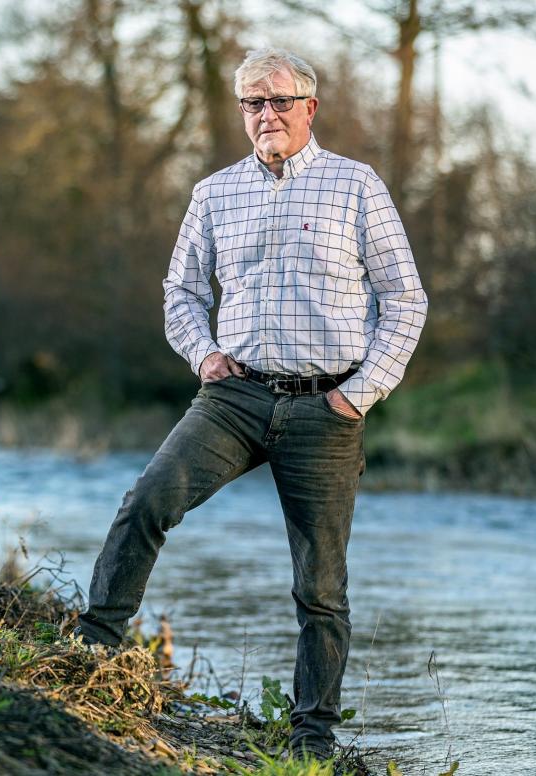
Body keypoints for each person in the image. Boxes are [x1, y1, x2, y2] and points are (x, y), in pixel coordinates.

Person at [75, 47, 428, 759]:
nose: (265, 114)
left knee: (320, 588)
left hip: (324, 408)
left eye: (278, 100)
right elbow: (180, 291)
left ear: (309, 107)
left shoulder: (356, 187)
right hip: (231, 399)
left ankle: (312, 740)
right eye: (251, 103)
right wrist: (201, 352)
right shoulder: (213, 193)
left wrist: (359, 395)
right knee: (145, 503)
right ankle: (88, 657)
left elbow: (405, 299)